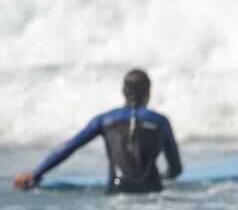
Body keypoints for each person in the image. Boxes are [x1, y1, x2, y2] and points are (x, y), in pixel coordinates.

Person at [13, 69, 182, 194]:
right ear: (148, 93)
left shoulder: (105, 120)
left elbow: (70, 146)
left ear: (123, 92)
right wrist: (161, 178)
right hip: (151, 192)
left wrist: (37, 173)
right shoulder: (160, 121)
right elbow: (175, 169)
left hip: (117, 191)